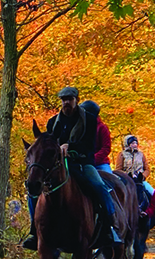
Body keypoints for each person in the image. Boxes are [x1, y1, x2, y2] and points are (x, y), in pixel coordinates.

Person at [44, 86, 122, 244]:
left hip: (83, 162)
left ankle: (111, 224)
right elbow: (49, 144)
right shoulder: (53, 122)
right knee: (38, 189)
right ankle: (36, 229)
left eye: (69, 99)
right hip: (58, 165)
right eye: (63, 100)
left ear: (76, 100)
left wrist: (69, 147)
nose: (66, 102)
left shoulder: (89, 120)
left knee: (98, 185)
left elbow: (89, 146)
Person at [82, 100, 113, 173]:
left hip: (100, 163)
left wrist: (93, 159)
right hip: (83, 163)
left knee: (109, 182)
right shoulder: (80, 127)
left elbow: (106, 148)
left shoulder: (102, 128)